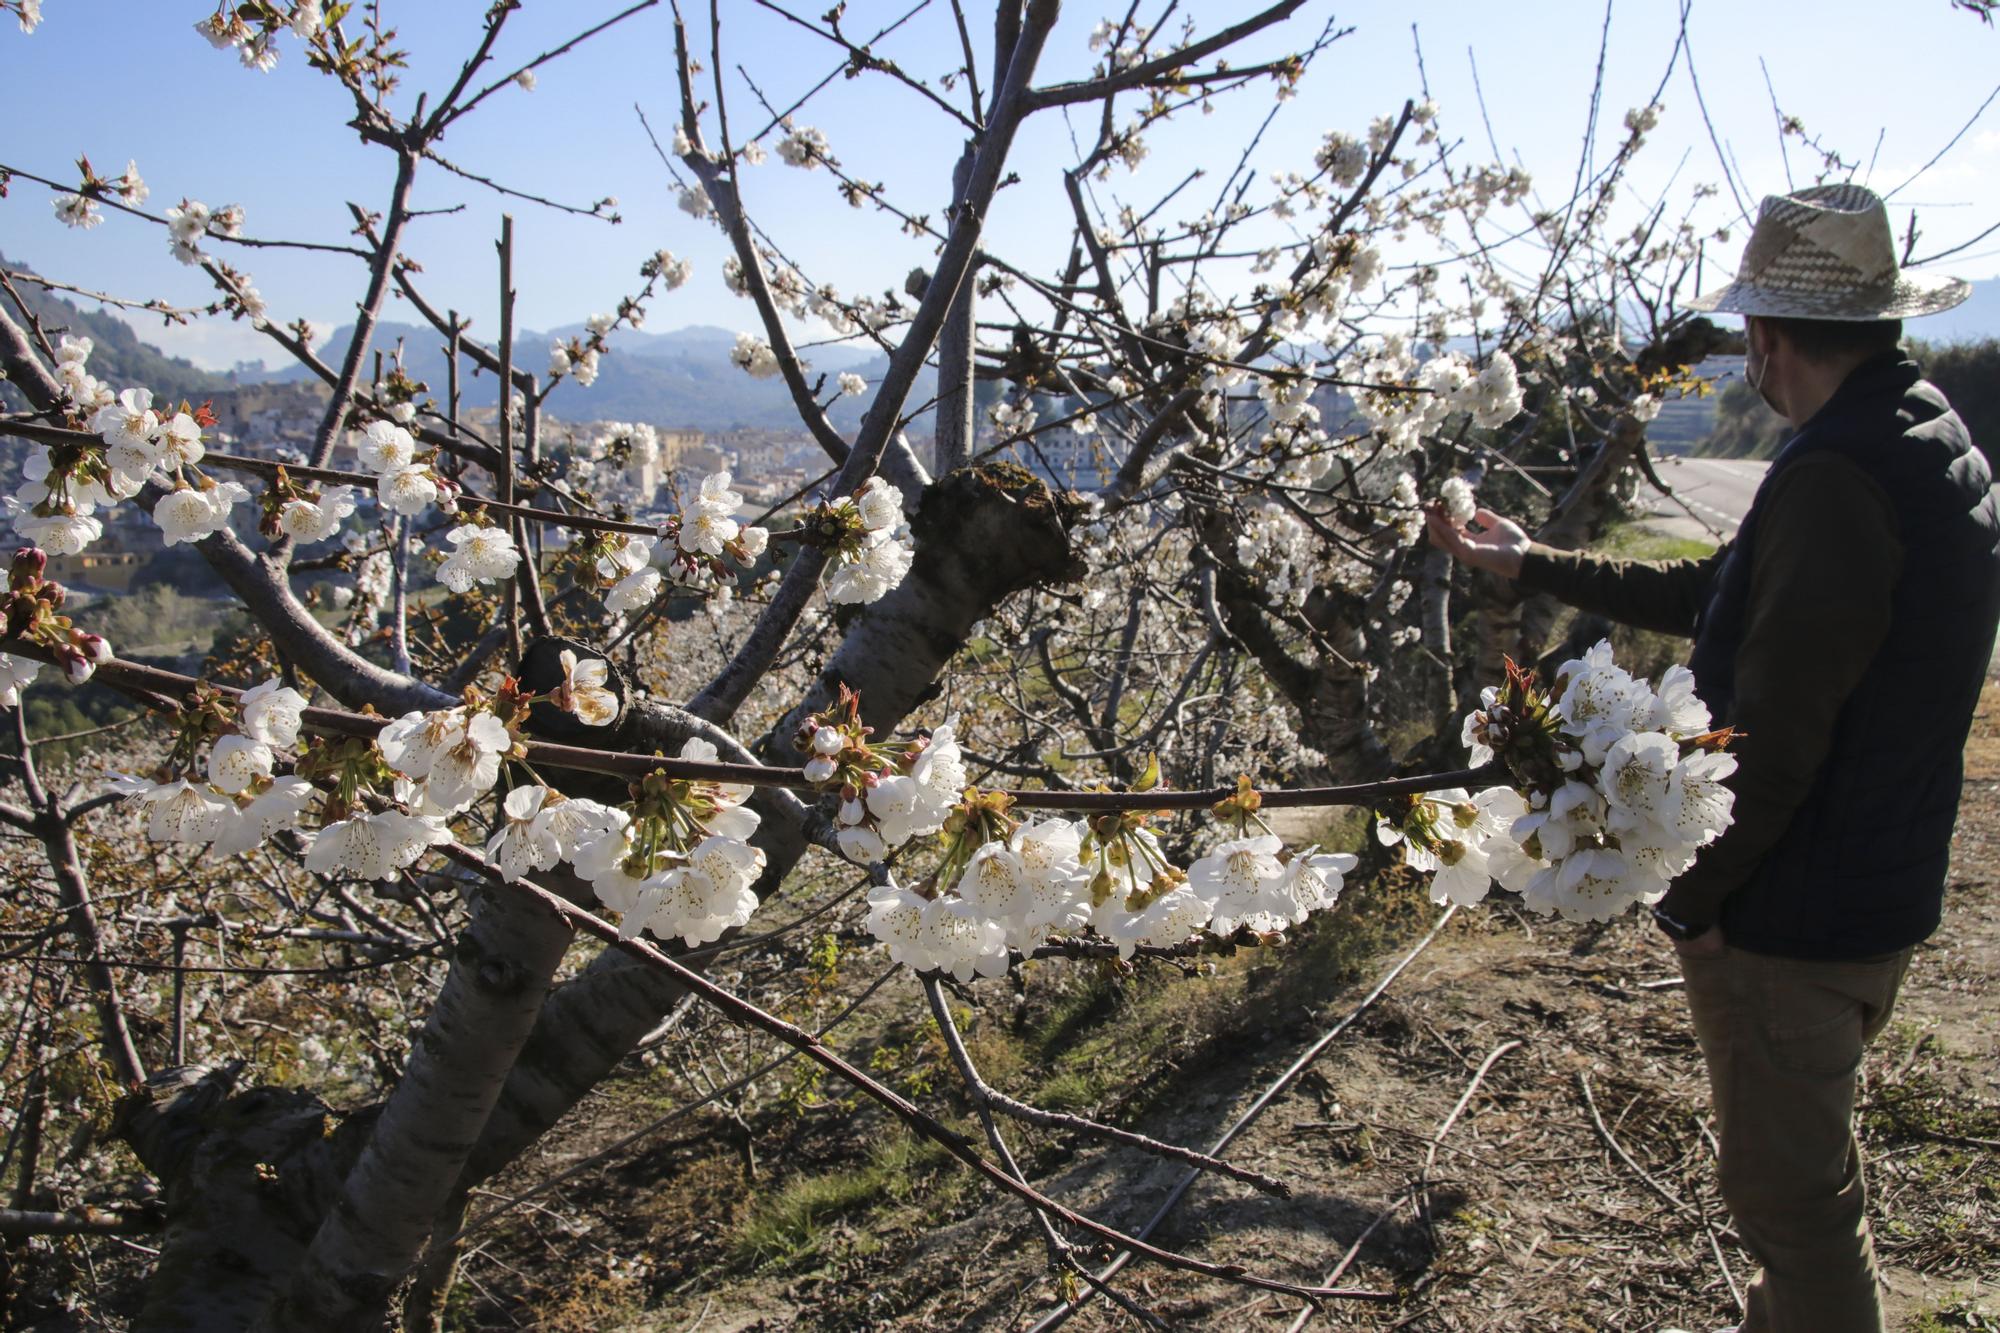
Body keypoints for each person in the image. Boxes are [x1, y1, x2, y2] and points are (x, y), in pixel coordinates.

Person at [1426, 183, 2000, 1333]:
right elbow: (1719, 592)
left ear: (1768, 335)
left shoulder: (1837, 478)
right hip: (1872, 874)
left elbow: (1780, 739)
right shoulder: (1908, 433)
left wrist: (1695, 897)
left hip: (1801, 907)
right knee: (1799, 1178)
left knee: (1787, 1193)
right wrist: (1528, 558)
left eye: (1748, 333)